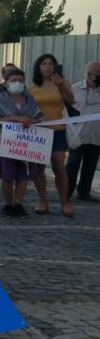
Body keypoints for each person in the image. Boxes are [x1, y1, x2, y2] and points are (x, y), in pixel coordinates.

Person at [0, 69, 43, 218]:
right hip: (6, 143)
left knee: (23, 175)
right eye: (13, 80)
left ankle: (18, 204)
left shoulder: (30, 99)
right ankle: (8, 204)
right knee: (7, 175)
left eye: (20, 80)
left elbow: (40, 117)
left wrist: (30, 121)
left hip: (26, 142)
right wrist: (15, 119)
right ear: (6, 83)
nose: (17, 83)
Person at [27, 53, 76, 217]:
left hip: (58, 131)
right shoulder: (31, 88)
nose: (47, 66)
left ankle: (65, 203)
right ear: (38, 67)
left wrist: (61, 85)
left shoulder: (62, 83)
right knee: (38, 168)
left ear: (55, 67)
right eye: (44, 63)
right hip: (38, 132)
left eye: (50, 63)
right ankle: (43, 201)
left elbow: (71, 100)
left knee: (59, 167)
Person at [66, 61, 100, 202]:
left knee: (90, 166)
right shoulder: (74, 89)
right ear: (88, 74)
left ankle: (84, 192)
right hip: (78, 134)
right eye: (97, 74)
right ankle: (66, 192)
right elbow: (67, 111)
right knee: (72, 164)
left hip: (97, 135)